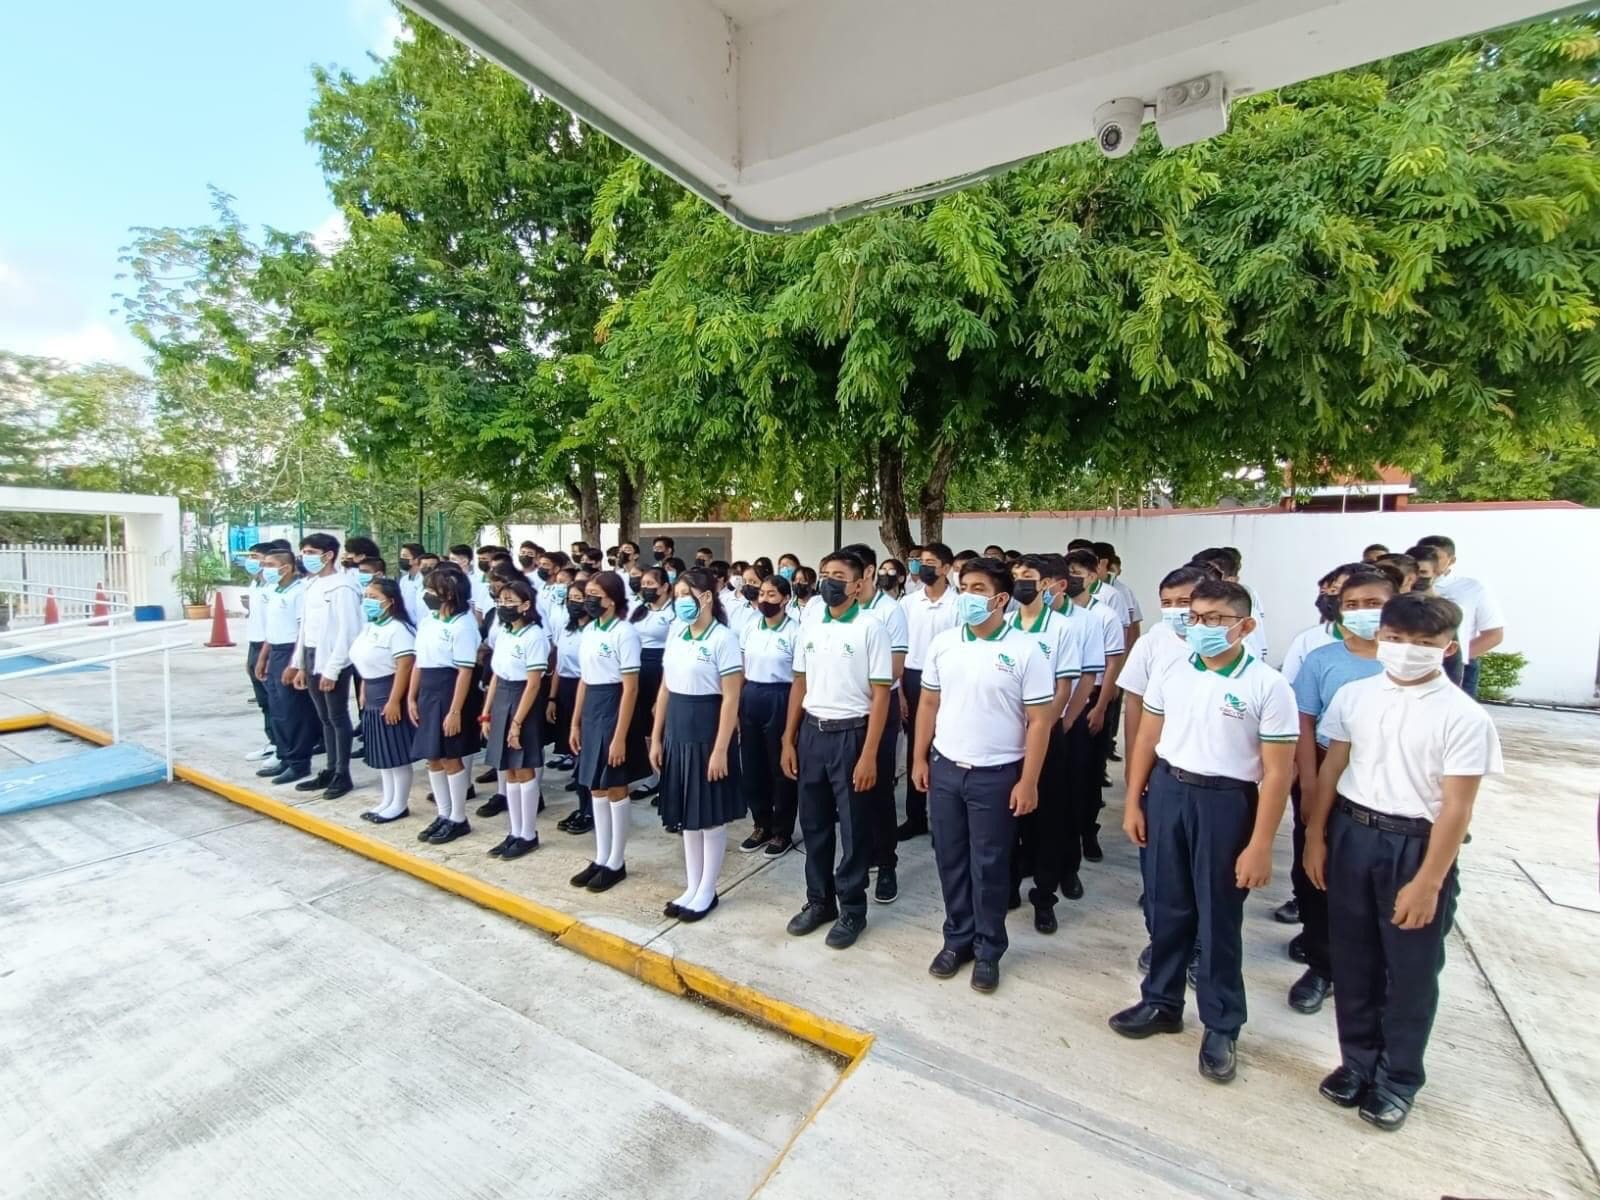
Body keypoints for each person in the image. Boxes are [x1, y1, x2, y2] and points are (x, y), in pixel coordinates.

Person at [1304, 592, 1503, 1131]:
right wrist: (1316, 835)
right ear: (1380, 639)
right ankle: (1356, 1062)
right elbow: (1331, 769)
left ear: (1449, 647)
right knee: (1354, 958)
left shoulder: (1463, 716)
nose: (1407, 651)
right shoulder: (1355, 695)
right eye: (1396, 640)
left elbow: (1457, 807)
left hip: (1416, 845)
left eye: (1423, 644)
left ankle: (1397, 1079)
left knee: (1410, 971)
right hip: (1353, 832)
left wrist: (1429, 881)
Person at [1111, 578, 1297, 1085]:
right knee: (1167, 907)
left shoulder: (1267, 685)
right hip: (1169, 791)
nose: (1202, 628)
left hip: (1225, 803)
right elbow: (1148, 737)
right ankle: (1161, 1001)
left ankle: (1221, 1023)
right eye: (1196, 618)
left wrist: (1260, 845)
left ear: (1245, 625)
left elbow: (1279, 773)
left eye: (1216, 619)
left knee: (1216, 919)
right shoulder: (1173, 672)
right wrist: (1134, 801)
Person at [913, 556, 1056, 992]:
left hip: (997, 775)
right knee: (950, 858)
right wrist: (919, 758)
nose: (968, 597)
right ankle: (957, 938)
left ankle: (989, 947)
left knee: (990, 865)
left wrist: (1028, 780)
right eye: (964, 587)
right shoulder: (944, 644)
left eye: (977, 589)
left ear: (1000, 599)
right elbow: (928, 706)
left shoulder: (1027, 650)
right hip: (946, 768)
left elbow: (1040, 722)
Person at [1286, 568, 1395, 1015]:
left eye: (1373, 603)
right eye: (1352, 605)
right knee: (1316, 872)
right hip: (1327, 770)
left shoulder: (1410, 658)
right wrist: (1308, 784)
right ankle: (1322, 965)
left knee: (1377, 882)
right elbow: (1304, 721)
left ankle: (1378, 970)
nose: (1362, 613)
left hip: (1386, 781)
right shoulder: (1323, 659)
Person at [781, 550, 892, 950]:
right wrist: (787, 738)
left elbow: (882, 696)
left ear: (859, 583)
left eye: (838, 575)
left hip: (852, 736)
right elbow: (799, 683)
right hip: (812, 734)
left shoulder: (870, 628)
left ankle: (852, 909)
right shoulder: (810, 625)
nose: (829, 581)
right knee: (813, 825)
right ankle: (819, 900)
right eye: (825, 573)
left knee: (854, 826)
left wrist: (869, 755)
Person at [1115, 564, 1208, 969]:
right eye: (1167, 604)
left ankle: (1202, 945)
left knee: (1206, 875)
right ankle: (1163, 941)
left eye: (1184, 603)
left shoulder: (1232, 649)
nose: (1175, 612)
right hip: (1163, 769)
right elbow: (1134, 702)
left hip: (1214, 780)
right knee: (1159, 869)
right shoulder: (1155, 642)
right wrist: (1138, 763)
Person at [652, 567, 745, 920]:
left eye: (684, 596)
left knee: (710, 815)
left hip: (708, 728)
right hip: (678, 726)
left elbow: (731, 699)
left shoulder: (723, 639)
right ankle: (692, 885)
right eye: (676, 596)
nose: (679, 603)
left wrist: (721, 748)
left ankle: (708, 889)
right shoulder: (677, 633)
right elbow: (665, 687)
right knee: (688, 814)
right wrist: (657, 736)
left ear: (705, 597)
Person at [1005, 554, 1091, 932]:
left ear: (1044, 584)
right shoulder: (1003, 624)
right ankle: (1008, 885)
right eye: (1015, 576)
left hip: (1044, 733)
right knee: (1007, 815)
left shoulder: (1061, 629)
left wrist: (1042, 724)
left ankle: (1044, 896)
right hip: (1006, 736)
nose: (1020, 582)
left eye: (1028, 577)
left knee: (1048, 816)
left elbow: (1064, 687)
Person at [569, 571, 644, 893]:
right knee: (595, 787)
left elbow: (630, 688)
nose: (588, 599)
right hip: (592, 709)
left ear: (611, 598)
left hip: (614, 708)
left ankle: (616, 860)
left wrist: (619, 736)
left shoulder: (624, 632)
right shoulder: (589, 630)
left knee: (614, 787)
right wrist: (575, 722)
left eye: (594, 593)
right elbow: (585, 679)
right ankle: (601, 856)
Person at [407, 568, 482, 844]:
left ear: (449, 593)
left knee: (451, 757)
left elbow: (464, 671)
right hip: (428, 689)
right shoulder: (429, 621)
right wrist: (411, 697)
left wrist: (455, 710)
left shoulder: (464, 625)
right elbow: (418, 661)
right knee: (433, 757)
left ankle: (458, 817)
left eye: (432, 591)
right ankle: (443, 812)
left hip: (449, 690)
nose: (426, 596)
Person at [1063, 547, 1125, 863]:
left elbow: (1113, 663)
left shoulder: (1105, 615)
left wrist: (1101, 707)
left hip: (1092, 698)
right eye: (1067, 573)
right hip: (1059, 702)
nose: (1072, 579)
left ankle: (1088, 833)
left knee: (1087, 773)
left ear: (1091, 576)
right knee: (1063, 775)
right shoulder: (1055, 612)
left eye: (1078, 573)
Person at [480, 579, 550, 859]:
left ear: (526, 605)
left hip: (524, 702)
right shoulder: (506, 633)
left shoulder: (535, 636)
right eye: (501, 601)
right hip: (502, 700)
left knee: (524, 769)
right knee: (508, 768)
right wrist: (486, 713)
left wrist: (517, 722)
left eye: (510, 601)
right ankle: (514, 830)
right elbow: (496, 676)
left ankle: (528, 833)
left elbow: (533, 684)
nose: (504, 607)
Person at [291, 533, 364, 800]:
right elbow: (305, 629)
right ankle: (330, 768)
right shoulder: (311, 585)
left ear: (329, 554)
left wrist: (333, 669)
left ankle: (342, 773)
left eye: (311, 552)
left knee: (337, 716)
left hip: (333, 658)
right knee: (323, 717)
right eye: (304, 552)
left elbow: (348, 631)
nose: (305, 557)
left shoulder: (342, 587)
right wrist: (299, 664)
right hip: (311, 655)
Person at [899, 541, 959, 840]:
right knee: (916, 748)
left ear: (946, 569)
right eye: (921, 561)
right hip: (912, 676)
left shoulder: (959, 605)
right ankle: (915, 816)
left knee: (944, 748)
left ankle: (942, 821)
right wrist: (898, 691)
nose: (923, 567)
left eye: (931, 562)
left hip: (948, 680)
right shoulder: (908, 603)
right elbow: (897, 649)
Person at [738, 573, 800, 857]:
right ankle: (760, 823)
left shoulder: (795, 631)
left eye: (772, 595)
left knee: (780, 769)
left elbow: (801, 678)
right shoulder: (751, 627)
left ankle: (781, 830)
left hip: (781, 696)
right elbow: (741, 666)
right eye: (762, 594)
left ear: (786, 599)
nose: (764, 599)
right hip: (751, 694)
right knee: (753, 766)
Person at [351, 576, 418, 823]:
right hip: (372, 692)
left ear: (389, 602)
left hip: (390, 694)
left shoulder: (398, 629)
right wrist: (363, 689)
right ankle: (387, 800)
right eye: (366, 597)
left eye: (374, 598)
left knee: (396, 754)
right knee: (382, 755)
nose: (368, 602)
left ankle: (399, 803)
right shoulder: (371, 626)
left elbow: (405, 666)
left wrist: (393, 701)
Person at [1416, 535, 1505, 698]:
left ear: (1452, 559)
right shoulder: (1405, 585)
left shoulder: (1471, 588)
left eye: (1437, 557)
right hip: (1413, 663)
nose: (1431, 561)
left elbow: (1494, 635)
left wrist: (1454, 659)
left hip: (1457, 665)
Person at [258, 546, 317, 785]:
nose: (266, 570)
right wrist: (263, 657)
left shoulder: (300, 592)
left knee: (294, 711)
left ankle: (299, 762)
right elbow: (272, 630)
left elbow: (302, 631)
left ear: (287, 567)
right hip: (275, 650)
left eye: (271, 565)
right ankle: (284, 755)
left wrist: (296, 663)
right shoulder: (274, 590)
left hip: (292, 652)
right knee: (278, 710)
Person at [627, 566, 675, 802]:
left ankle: (669, 779)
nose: (645, 588)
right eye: (643, 584)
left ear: (665, 586)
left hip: (662, 668)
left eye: (651, 584)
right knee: (646, 726)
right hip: (640, 668)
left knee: (663, 724)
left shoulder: (673, 611)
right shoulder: (639, 610)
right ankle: (654, 776)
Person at [550, 582, 594, 834]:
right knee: (574, 751)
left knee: (586, 754)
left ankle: (589, 810)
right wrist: (552, 698)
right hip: (566, 691)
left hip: (586, 689)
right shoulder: (566, 630)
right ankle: (582, 805)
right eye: (571, 598)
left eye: (580, 598)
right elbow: (558, 665)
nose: (574, 602)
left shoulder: (593, 631)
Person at [240, 540, 281, 766]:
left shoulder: (273, 589)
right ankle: (272, 741)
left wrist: (264, 656)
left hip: (270, 647)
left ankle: (282, 747)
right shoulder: (256, 585)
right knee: (264, 700)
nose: (252, 561)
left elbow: (273, 626)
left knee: (277, 701)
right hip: (255, 644)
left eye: (257, 557)